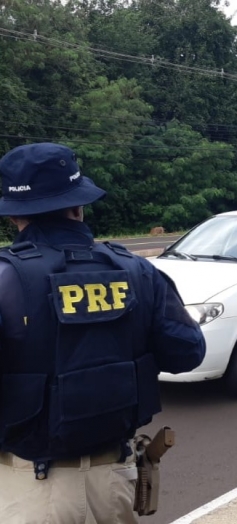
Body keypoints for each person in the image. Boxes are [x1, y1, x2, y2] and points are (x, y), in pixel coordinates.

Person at [0, 142, 206, 523]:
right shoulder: (139, 272)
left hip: (27, 489)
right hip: (114, 483)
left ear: (15, 216)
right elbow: (188, 353)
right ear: (79, 207)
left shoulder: (5, 280)